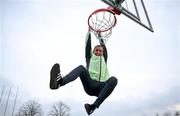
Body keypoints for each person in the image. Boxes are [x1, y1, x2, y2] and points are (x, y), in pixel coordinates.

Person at [49, 29, 118, 115]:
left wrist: (100, 36)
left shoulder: (104, 60)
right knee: (81, 68)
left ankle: (92, 107)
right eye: (96, 50)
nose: (98, 52)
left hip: (101, 88)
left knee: (114, 79)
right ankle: (59, 82)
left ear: (103, 53)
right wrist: (89, 33)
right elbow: (88, 46)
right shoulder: (90, 58)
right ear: (93, 52)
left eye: (100, 51)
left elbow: (104, 48)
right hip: (90, 84)